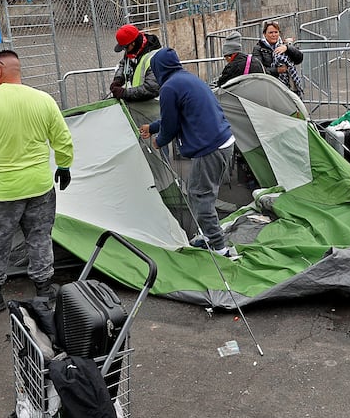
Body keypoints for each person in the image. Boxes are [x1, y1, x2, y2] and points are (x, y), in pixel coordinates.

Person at [0, 50, 75, 313]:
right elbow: (63, 139)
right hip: (39, 187)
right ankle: (44, 290)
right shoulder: (43, 100)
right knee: (40, 237)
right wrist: (64, 165)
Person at [141, 48, 238, 257]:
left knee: (200, 195)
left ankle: (220, 248)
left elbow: (171, 125)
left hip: (210, 148)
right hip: (223, 142)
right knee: (198, 191)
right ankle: (208, 235)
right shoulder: (186, 79)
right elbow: (176, 116)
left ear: (159, 68)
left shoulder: (169, 87)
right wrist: (153, 127)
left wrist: (159, 140)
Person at [109, 24, 162, 102]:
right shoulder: (132, 52)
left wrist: (124, 93)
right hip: (138, 104)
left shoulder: (155, 58)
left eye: (126, 47)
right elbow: (123, 64)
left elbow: (151, 89)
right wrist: (118, 79)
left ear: (133, 43)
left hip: (154, 107)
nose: (125, 51)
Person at [251, 20, 305, 95]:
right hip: (270, 87)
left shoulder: (284, 45)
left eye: (276, 32)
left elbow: (299, 59)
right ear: (264, 34)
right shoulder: (258, 48)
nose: (274, 35)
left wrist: (288, 48)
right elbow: (257, 69)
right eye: (270, 33)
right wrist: (276, 70)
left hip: (288, 87)